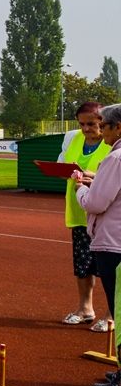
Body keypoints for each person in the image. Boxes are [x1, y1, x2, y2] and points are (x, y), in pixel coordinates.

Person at [72, 102, 121, 386]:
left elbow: (96, 203)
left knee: (120, 312)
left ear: (118, 127)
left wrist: (80, 187)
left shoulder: (115, 158)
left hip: (113, 244)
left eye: (105, 126)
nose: (100, 131)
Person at [60, 101, 111, 331]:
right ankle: (85, 308)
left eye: (91, 123)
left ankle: (112, 313)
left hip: (106, 216)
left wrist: (93, 177)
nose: (86, 129)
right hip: (80, 211)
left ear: (104, 122)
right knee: (82, 264)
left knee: (109, 267)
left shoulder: (113, 144)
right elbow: (63, 164)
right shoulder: (74, 139)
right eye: (82, 124)